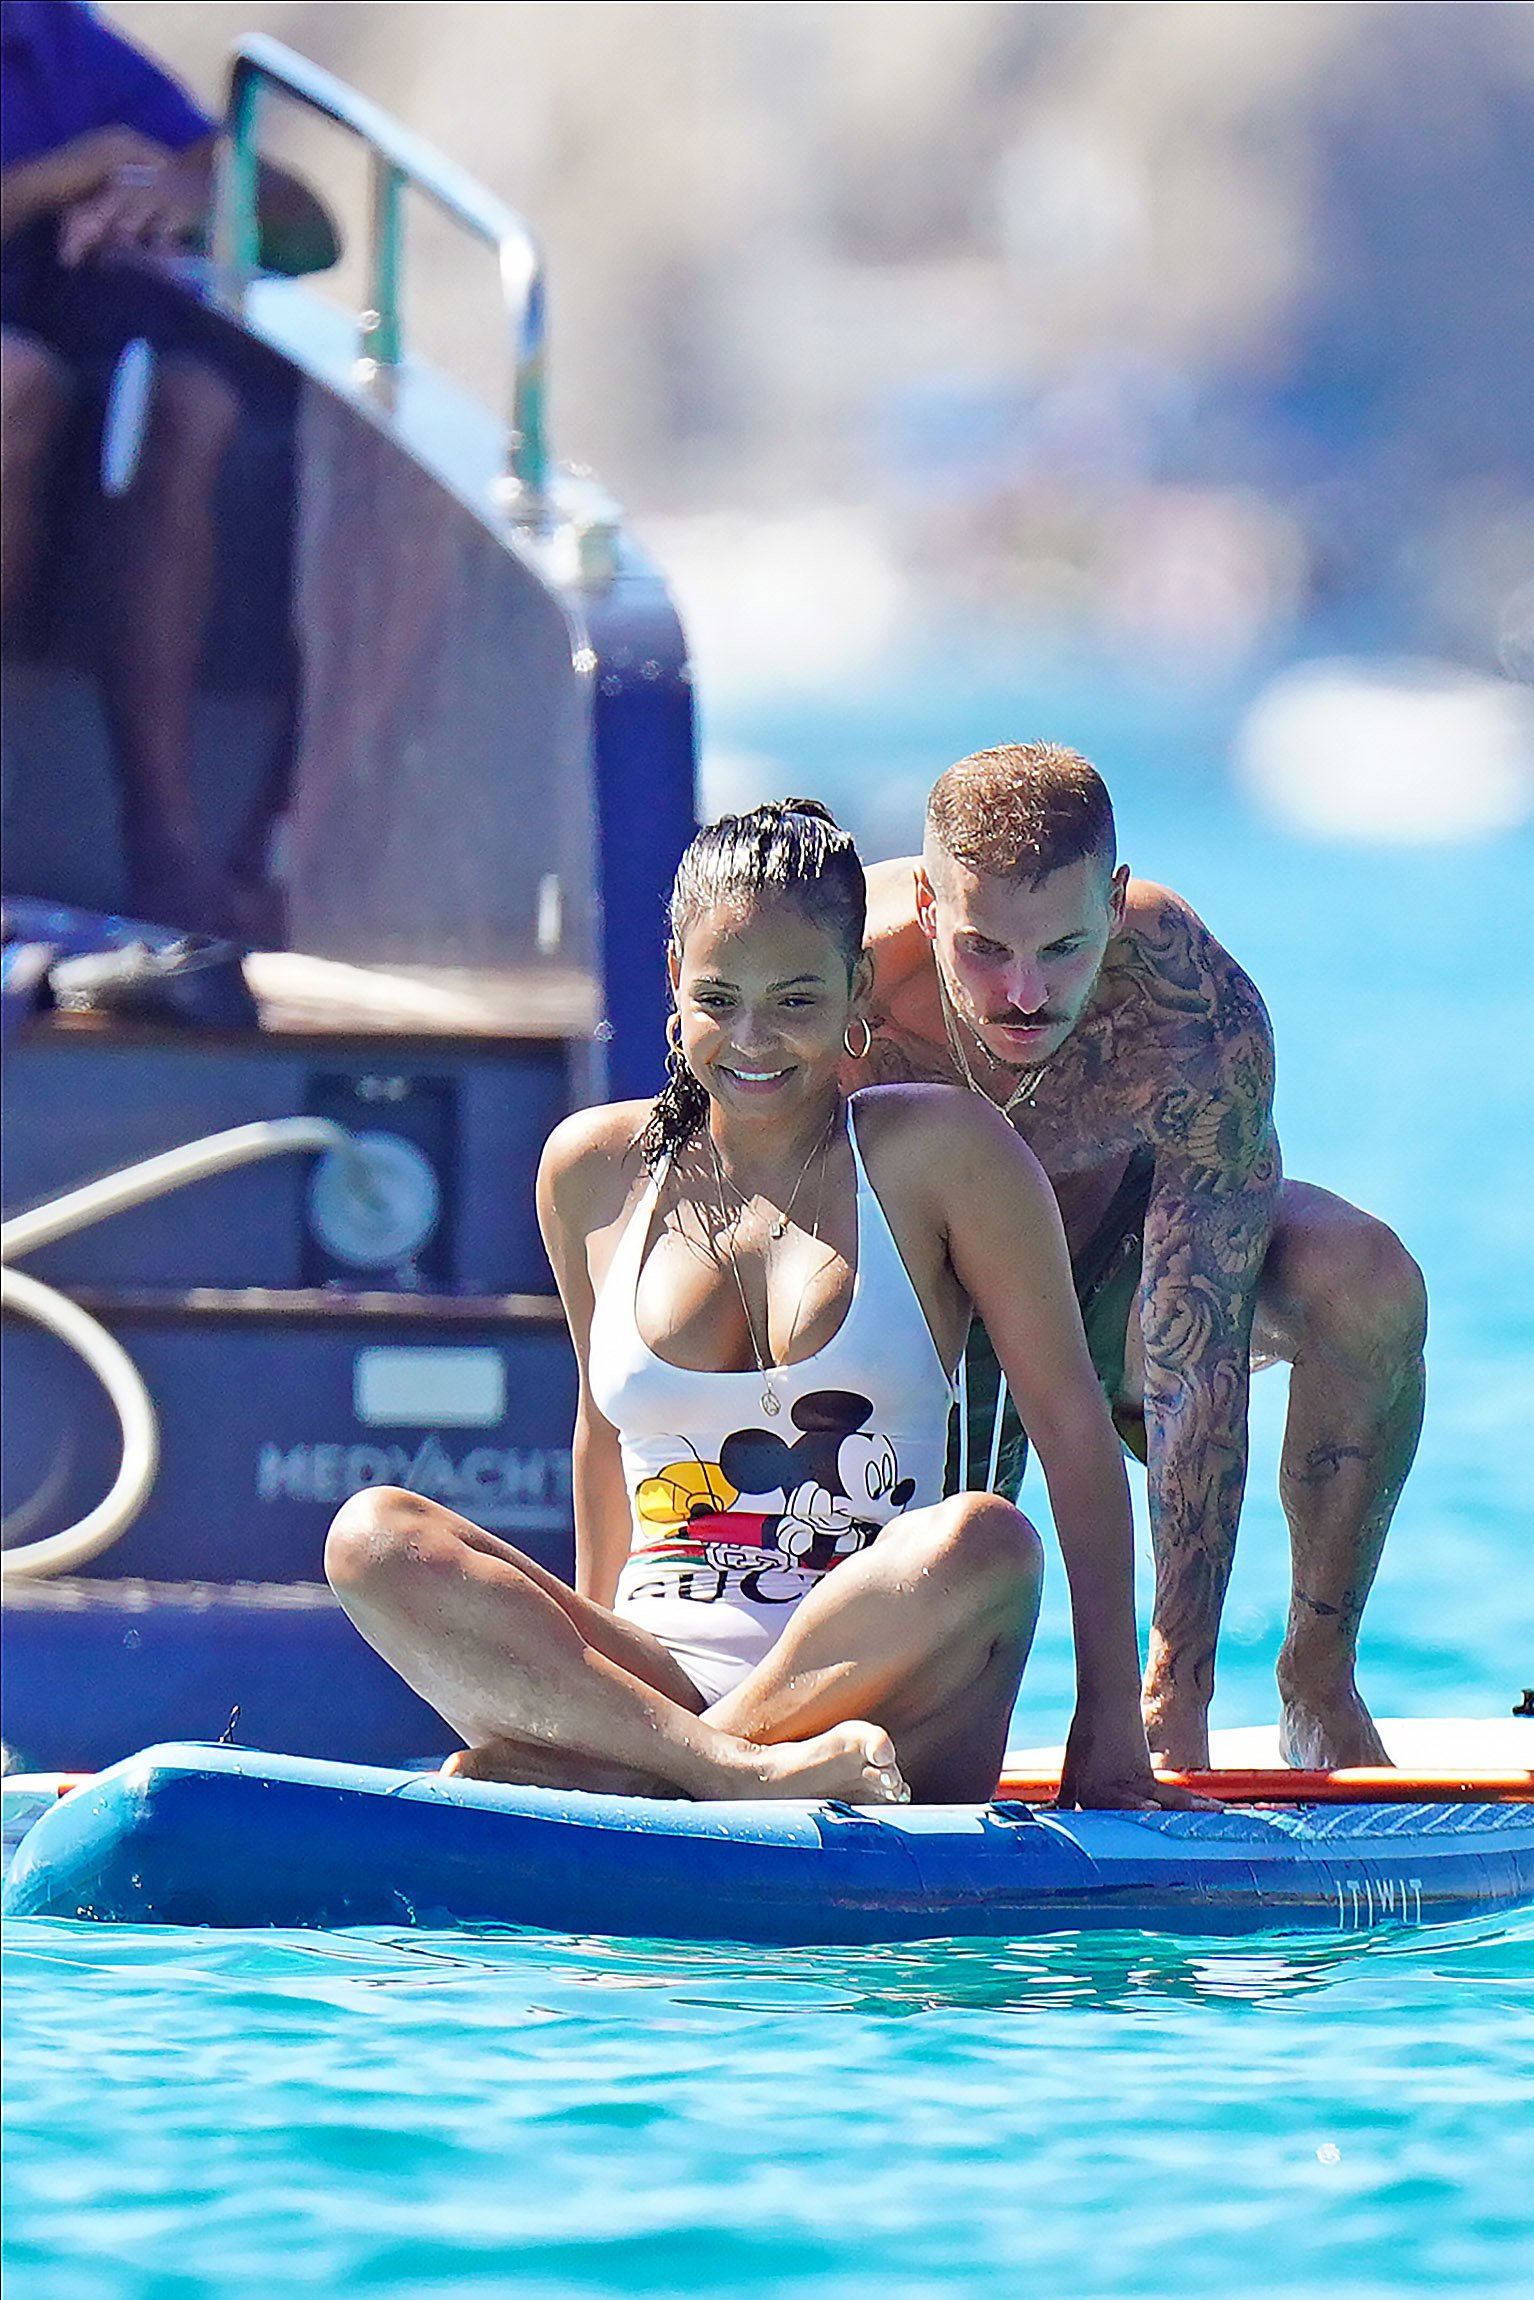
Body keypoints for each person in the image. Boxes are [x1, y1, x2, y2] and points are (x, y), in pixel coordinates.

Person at [326, 801, 1196, 1808]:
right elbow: (603, 1440)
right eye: (718, 998)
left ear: (856, 987)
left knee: (986, 1540)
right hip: (660, 1678)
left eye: (794, 1000)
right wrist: (585, 1681)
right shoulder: (590, 1171)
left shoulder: (944, 1153)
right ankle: (714, 1771)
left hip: (888, 1711)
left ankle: (640, 1777)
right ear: (673, 981)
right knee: (373, 1535)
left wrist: (1109, 1728)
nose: (752, 1039)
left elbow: (1074, 1432)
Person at [853, 740, 1428, 1772]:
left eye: (1063, 948)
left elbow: (1192, 1343)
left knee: (1364, 1281)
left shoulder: (1187, 1007)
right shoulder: (838, 984)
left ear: (1114, 904)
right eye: (985, 949)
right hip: (922, 1304)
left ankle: (1317, 1682)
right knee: (920, 1724)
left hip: (1121, 1268)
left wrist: (1170, 1698)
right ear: (930, 909)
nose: (1024, 993)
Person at [1, 0, 336, 939]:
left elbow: (313, 231)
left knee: (191, 408)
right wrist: (55, 178)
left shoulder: (47, 39)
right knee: (15, 384)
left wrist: (198, 192)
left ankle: (179, 859)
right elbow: (88, 161)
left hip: (70, 386)